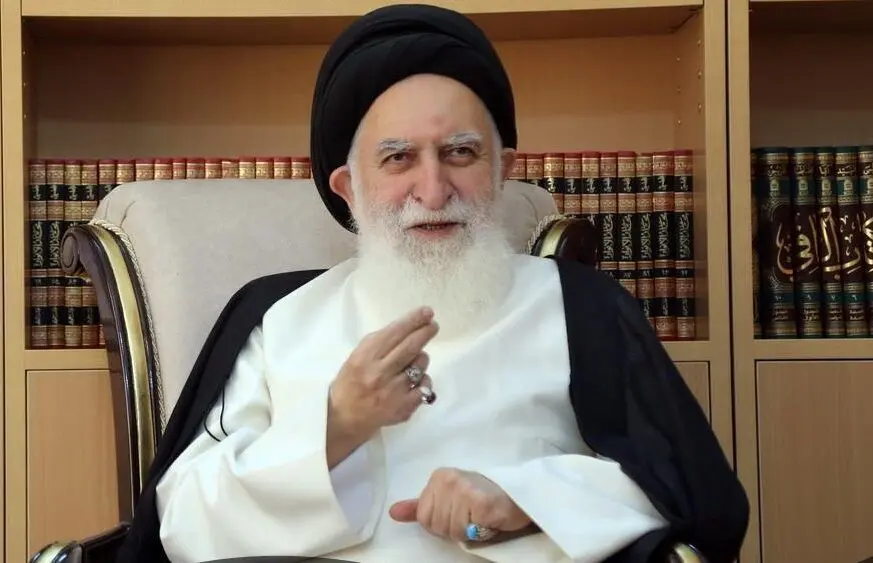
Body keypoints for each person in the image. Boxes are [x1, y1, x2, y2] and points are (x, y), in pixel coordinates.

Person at [115, 4, 749, 563]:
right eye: (398, 158)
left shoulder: (580, 306)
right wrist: (335, 426)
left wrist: (526, 499)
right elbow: (182, 525)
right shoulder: (278, 317)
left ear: (502, 171)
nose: (434, 190)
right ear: (349, 188)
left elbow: (692, 495)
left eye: (460, 153)